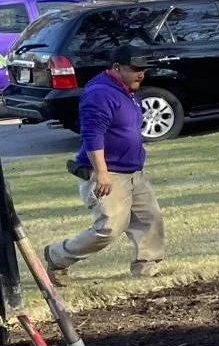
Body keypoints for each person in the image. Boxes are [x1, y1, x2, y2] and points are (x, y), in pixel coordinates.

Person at [44, 42, 165, 284]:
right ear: (117, 67)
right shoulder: (100, 94)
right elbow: (92, 135)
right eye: (134, 68)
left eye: (143, 68)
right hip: (108, 172)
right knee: (109, 228)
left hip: (133, 170)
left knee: (150, 217)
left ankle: (146, 266)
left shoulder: (126, 89)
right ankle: (57, 256)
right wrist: (101, 173)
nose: (141, 73)